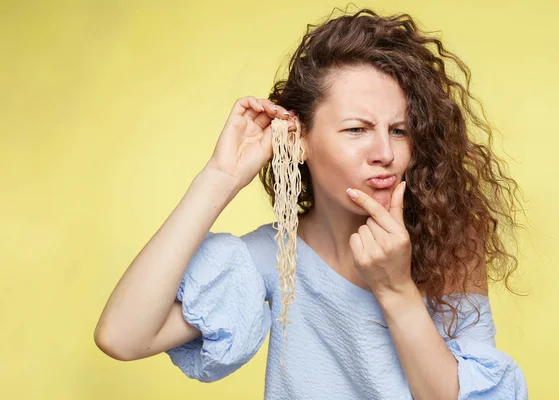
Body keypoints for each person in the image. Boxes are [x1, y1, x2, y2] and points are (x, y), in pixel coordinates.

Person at [94, 8, 528, 400]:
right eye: (357, 129)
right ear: (298, 140)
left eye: (398, 130)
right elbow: (122, 337)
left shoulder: (449, 241)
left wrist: (396, 288)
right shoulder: (274, 257)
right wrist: (218, 179)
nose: (385, 152)